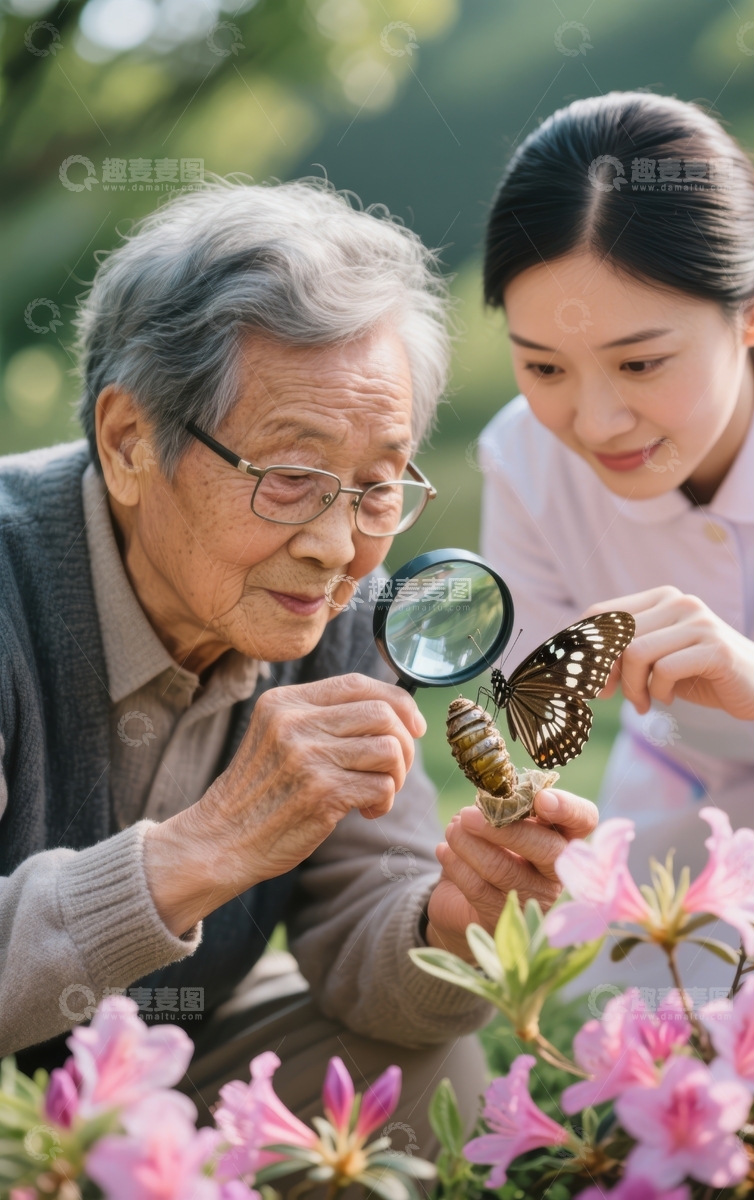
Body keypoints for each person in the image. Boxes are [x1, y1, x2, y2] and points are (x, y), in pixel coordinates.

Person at [0, 179, 598, 1148]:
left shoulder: (345, 615)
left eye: (375, 486)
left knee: (418, 1074)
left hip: (156, 1057)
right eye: (289, 477)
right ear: (128, 442)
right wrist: (201, 849)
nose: (336, 548)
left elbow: (364, 927)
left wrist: (453, 922)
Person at [476, 92, 754, 991]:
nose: (595, 422)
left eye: (641, 363)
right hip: (681, 809)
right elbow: (531, 708)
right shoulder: (524, 460)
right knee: (648, 1029)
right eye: (543, 366)